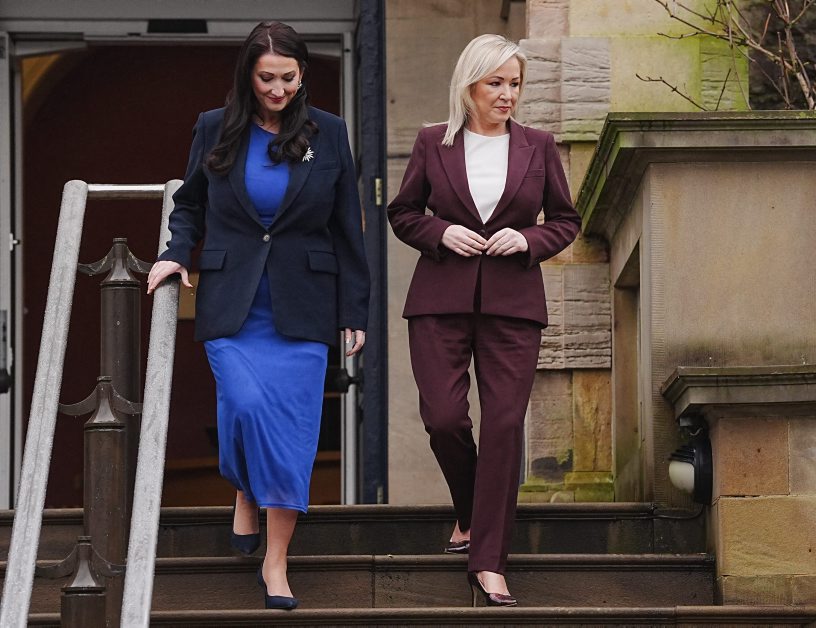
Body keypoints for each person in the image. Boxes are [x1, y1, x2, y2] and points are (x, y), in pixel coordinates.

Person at [147, 21, 369, 611]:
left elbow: (347, 227)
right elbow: (189, 204)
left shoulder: (329, 132)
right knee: (244, 407)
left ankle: (276, 560)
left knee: (292, 433)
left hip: (304, 304)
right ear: (248, 75)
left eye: (288, 78)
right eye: (267, 78)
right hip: (234, 301)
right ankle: (245, 486)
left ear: (302, 74)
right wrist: (175, 253)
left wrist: (355, 309)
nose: (278, 89)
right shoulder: (215, 127)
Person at [387, 34, 581, 606]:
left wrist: (528, 240)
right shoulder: (432, 142)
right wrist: (441, 231)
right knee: (444, 417)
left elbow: (565, 220)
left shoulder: (538, 146)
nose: (507, 94)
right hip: (439, 301)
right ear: (469, 85)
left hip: (513, 306)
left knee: (503, 425)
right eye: (495, 83)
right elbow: (403, 212)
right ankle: (472, 513)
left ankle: (489, 561)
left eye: (514, 84)